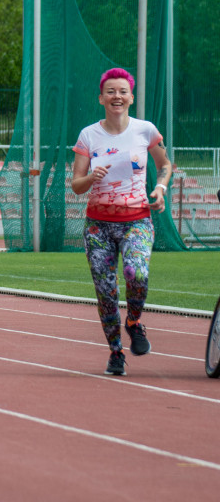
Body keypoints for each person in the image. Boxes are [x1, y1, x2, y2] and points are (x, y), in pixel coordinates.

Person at [71, 67, 172, 376]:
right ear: (101, 98)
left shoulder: (145, 130)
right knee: (106, 291)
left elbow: (165, 164)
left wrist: (160, 187)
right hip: (98, 225)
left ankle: (134, 321)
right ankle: (116, 352)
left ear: (131, 97)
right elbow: (76, 184)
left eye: (122, 91)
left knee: (136, 272)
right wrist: (91, 176)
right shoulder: (89, 135)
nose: (117, 96)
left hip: (137, 220)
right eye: (111, 91)